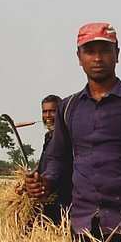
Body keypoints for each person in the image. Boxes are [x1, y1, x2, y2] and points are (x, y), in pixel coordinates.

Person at [25, 23, 121, 242]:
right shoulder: (68, 108)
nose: (98, 58)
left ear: (117, 54)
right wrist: (45, 182)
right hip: (85, 227)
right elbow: (58, 159)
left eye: (105, 51)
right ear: (79, 58)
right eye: (89, 52)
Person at [35, 94, 71, 224]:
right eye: (45, 112)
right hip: (46, 199)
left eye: (52, 111)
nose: (48, 116)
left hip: (62, 200)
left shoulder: (67, 137)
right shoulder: (48, 137)